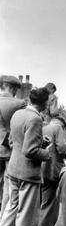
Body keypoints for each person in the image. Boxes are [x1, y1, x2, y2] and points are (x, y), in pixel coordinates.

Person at [0, 88, 52, 226]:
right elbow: (30, 151)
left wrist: (38, 142)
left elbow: (11, 140)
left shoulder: (18, 114)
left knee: (9, 211)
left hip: (13, 170)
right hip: (28, 175)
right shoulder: (36, 119)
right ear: (45, 103)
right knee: (26, 220)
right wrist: (47, 152)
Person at [34, 116, 66, 226]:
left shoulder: (41, 127)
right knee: (49, 207)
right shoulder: (58, 127)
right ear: (61, 123)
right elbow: (61, 148)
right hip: (51, 170)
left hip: (39, 170)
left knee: (40, 205)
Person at [0, 76, 26, 217]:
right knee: (8, 189)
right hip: (9, 150)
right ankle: (2, 220)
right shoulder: (19, 103)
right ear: (13, 88)